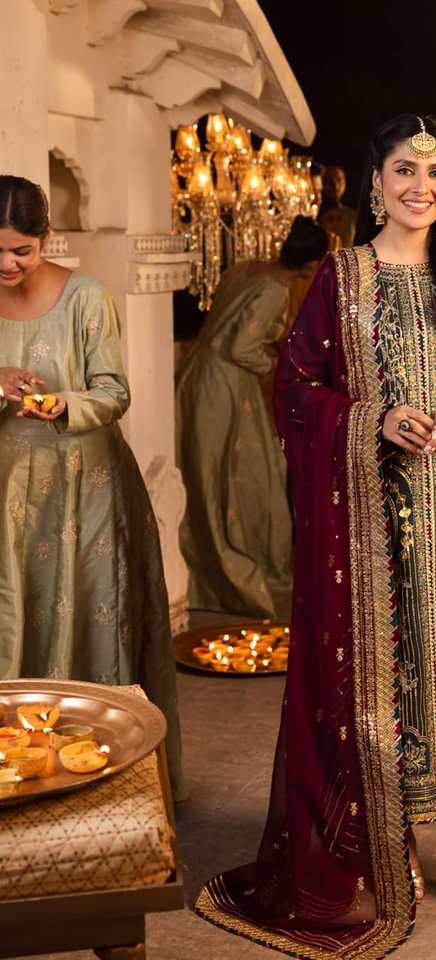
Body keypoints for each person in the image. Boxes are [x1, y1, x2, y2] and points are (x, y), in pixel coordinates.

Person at [195, 114, 436, 955]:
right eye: (404, 170)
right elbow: (295, 386)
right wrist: (374, 419)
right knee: (395, 685)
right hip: (376, 520)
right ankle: (394, 846)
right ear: (376, 181)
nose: (420, 188)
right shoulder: (342, 277)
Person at [0, 175, 185, 798]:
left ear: (47, 238)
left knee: (86, 612)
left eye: (22, 250)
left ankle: (96, 780)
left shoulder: (86, 298)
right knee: (12, 611)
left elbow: (113, 391)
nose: (8, 264)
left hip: (85, 488)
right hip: (7, 493)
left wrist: (64, 404)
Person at [176, 216, 329, 618]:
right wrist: (280, 362)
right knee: (246, 477)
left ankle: (206, 579)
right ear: (312, 264)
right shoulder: (275, 288)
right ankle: (244, 576)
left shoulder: (245, 268)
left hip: (196, 374)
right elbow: (240, 349)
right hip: (225, 385)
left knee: (207, 473)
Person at [320, 164, 357, 247]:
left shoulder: (353, 216)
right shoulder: (314, 215)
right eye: (329, 180)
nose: (335, 185)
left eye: (339, 179)